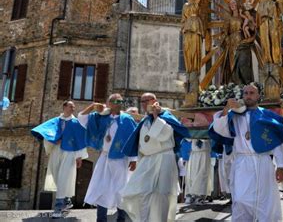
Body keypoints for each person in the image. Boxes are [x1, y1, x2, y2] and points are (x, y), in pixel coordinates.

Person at [209, 83, 283, 222]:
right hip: (242, 164)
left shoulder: (267, 115)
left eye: (252, 93)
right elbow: (219, 128)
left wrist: (280, 166)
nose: (248, 96)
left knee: (266, 202)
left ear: (258, 96)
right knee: (240, 200)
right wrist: (227, 108)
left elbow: (276, 142)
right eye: (245, 93)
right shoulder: (234, 116)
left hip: (262, 162)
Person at [120, 92, 190, 221]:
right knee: (138, 192)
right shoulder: (144, 120)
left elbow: (165, 135)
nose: (144, 103)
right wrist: (138, 159)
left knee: (163, 195)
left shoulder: (166, 116)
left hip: (164, 158)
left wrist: (157, 116)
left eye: (147, 100)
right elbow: (141, 143)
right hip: (147, 161)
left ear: (154, 101)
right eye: (142, 101)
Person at [78, 94, 137, 222]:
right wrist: (92, 107)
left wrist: (133, 159)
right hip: (104, 157)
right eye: (115, 101)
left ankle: (121, 219)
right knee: (101, 187)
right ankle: (101, 219)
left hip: (121, 159)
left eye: (121, 101)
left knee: (121, 189)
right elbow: (82, 118)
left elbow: (133, 139)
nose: (118, 103)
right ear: (108, 103)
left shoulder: (127, 119)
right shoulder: (100, 117)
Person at [31, 100, 88, 218]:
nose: (73, 109)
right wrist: (52, 140)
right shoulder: (55, 121)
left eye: (74, 107)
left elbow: (79, 140)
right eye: (71, 106)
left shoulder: (76, 123)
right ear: (64, 107)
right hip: (56, 151)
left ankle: (58, 207)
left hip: (70, 152)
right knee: (57, 176)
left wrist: (79, 157)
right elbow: (46, 133)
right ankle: (67, 200)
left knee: (64, 177)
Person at [185, 139, 212, 205]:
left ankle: (200, 196)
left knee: (203, 175)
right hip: (194, 153)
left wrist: (202, 137)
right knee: (192, 175)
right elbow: (188, 138)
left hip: (204, 152)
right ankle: (191, 195)